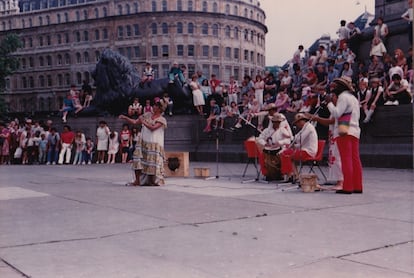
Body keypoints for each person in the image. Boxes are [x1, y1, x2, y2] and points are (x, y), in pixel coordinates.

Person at [326, 77, 363, 194]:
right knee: (355, 159)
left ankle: (347, 187)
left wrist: (329, 104)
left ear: (341, 87)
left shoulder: (343, 97)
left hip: (344, 130)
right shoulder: (354, 98)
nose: (333, 89)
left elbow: (337, 113)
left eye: (335, 87)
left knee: (346, 159)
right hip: (355, 130)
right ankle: (358, 186)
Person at [119, 100, 167, 186]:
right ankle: (137, 180)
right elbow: (135, 122)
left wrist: (143, 122)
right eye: (154, 105)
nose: (154, 107)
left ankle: (151, 181)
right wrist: (125, 118)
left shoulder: (162, 119)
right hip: (143, 141)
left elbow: (153, 128)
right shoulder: (147, 115)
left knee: (152, 162)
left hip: (154, 143)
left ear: (160, 109)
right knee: (138, 159)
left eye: (156, 106)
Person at [280, 113, 318, 182]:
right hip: (304, 150)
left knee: (286, 154)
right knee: (287, 153)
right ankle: (295, 175)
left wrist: (291, 138)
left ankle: (290, 175)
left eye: (298, 122)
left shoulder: (309, 127)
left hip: (308, 152)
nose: (297, 124)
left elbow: (299, 139)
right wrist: (294, 145)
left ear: (302, 121)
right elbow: (299, 141)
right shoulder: (304, 128)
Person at [256, 113, 292, 181]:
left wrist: (280, 143)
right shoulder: (267, 131)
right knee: (263, 156)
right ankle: (268, 174)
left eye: (279, 122)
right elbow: (260, 138)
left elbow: (289, 140)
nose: (277, 124)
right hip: (268, 150)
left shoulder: (282, 130)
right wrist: (265, 143)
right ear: (272, 122)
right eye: (276, 122)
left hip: (278, 149)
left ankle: (280, 174)